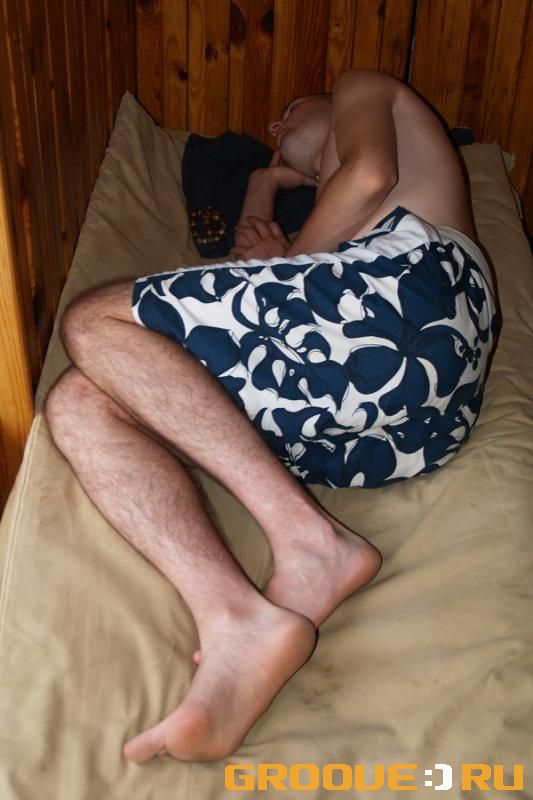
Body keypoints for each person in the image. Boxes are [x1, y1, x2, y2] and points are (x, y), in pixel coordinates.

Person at [44, 69, 499, 763]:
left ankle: (307, 539)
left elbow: (368, 173)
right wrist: (266, 197)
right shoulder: (326, 245)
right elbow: (223, 315)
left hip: (411, 304)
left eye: (289, 112)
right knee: (81, 401)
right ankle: (234, 617)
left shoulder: (365, 88)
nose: (278, 129)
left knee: (95, 321)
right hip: (409, 424)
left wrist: (290, 257)